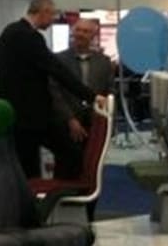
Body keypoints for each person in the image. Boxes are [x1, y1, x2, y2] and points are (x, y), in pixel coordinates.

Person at [0, 0, 106, 180]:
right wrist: (92, 96)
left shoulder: (11, 29)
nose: (52, 20)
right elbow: (56, 70)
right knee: (69, 154)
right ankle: (65, 191)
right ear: (43, 12)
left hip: (14, 111)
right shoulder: (31, 37)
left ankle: (37, 195)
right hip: (32, 113)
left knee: (27, 162)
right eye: (52, 15)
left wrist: (10, 75)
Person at [51, 18, 114, 220]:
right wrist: (70, 119)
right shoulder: (58, 60)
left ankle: (88, 216)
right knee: (66, 169)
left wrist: (104, 120)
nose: (80, 34)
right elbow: (54, 93)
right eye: (77, 30)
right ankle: (60, 215)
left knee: (92, 171)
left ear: (93, 35)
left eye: (86, 31)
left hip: (94, 126)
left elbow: (108, 92)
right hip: (66, 125)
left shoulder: (104, 62)